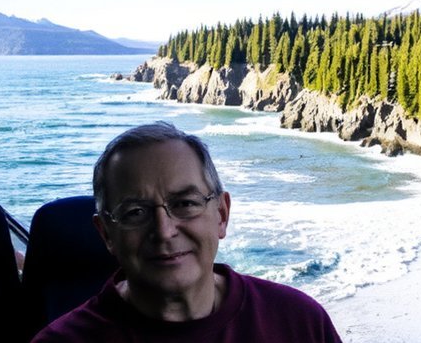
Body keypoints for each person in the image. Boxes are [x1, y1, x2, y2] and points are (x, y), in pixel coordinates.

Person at [30, 121, 342, 342]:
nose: (164, 231)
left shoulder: (298, 322)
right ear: (106, 234)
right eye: (135, 212)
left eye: (185, 203)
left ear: (221, 214)